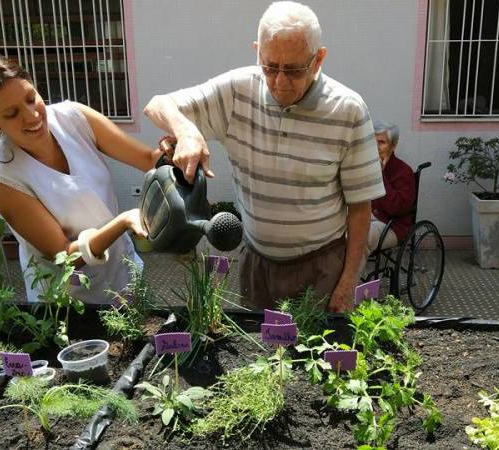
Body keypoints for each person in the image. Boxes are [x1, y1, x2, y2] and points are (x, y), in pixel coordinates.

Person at [144, 1, 384, 312]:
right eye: (270, 66)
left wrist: (348, 282)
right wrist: (187, 131)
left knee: (319, 356)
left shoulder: (348, 110)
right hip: (258, 266)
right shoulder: (236, 91)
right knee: (262, 355)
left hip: (322, 266)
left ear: (319, 58)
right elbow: (158, 104)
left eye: (294, 69)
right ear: (258, 51)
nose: (280, 82)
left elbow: (360, 208)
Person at [0, 52, 161, 304]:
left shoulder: (73, 118)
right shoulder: (2, 178)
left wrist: (179, 144)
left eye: (32, 99)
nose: (32, 115)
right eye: (12, 113)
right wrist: (122, 222)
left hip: (125, 275)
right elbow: (64, 254)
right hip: (68, 304)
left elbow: (148, 159)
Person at [363, 121, 416, 275]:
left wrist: (380, 175)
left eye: (381, 142)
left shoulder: (403, 171)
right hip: (366, 215)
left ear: (393, 145)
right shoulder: (365, 166)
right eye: (372, 142)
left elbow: (397, 208)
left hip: (391, 224)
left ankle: (350, 289)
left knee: (359, 239)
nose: (376, 147)